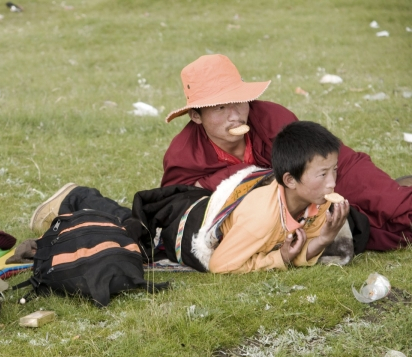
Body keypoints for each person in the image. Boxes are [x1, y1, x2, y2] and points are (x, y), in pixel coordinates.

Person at [161, 54, 412, 251]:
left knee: (388, 201)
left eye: (239, 101)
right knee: (364, 225)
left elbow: (319, 156)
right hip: (281, 210)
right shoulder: (183, 154)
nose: (235, 116)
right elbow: (178, 208)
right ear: (196, 116)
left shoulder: (271, 117)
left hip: (314, 173)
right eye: (220, 108)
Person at [30, 121, 350, 273]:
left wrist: (323, 239)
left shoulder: (318, 202)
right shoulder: (261, 218)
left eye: (334, 171)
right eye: (323, 174)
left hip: (213, 205)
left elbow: (303, 240)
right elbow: (221, 265)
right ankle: (78, 199)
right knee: (133, 239)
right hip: (189, 227)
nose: (332, 182)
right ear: (290, 180)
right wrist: (277, 259)